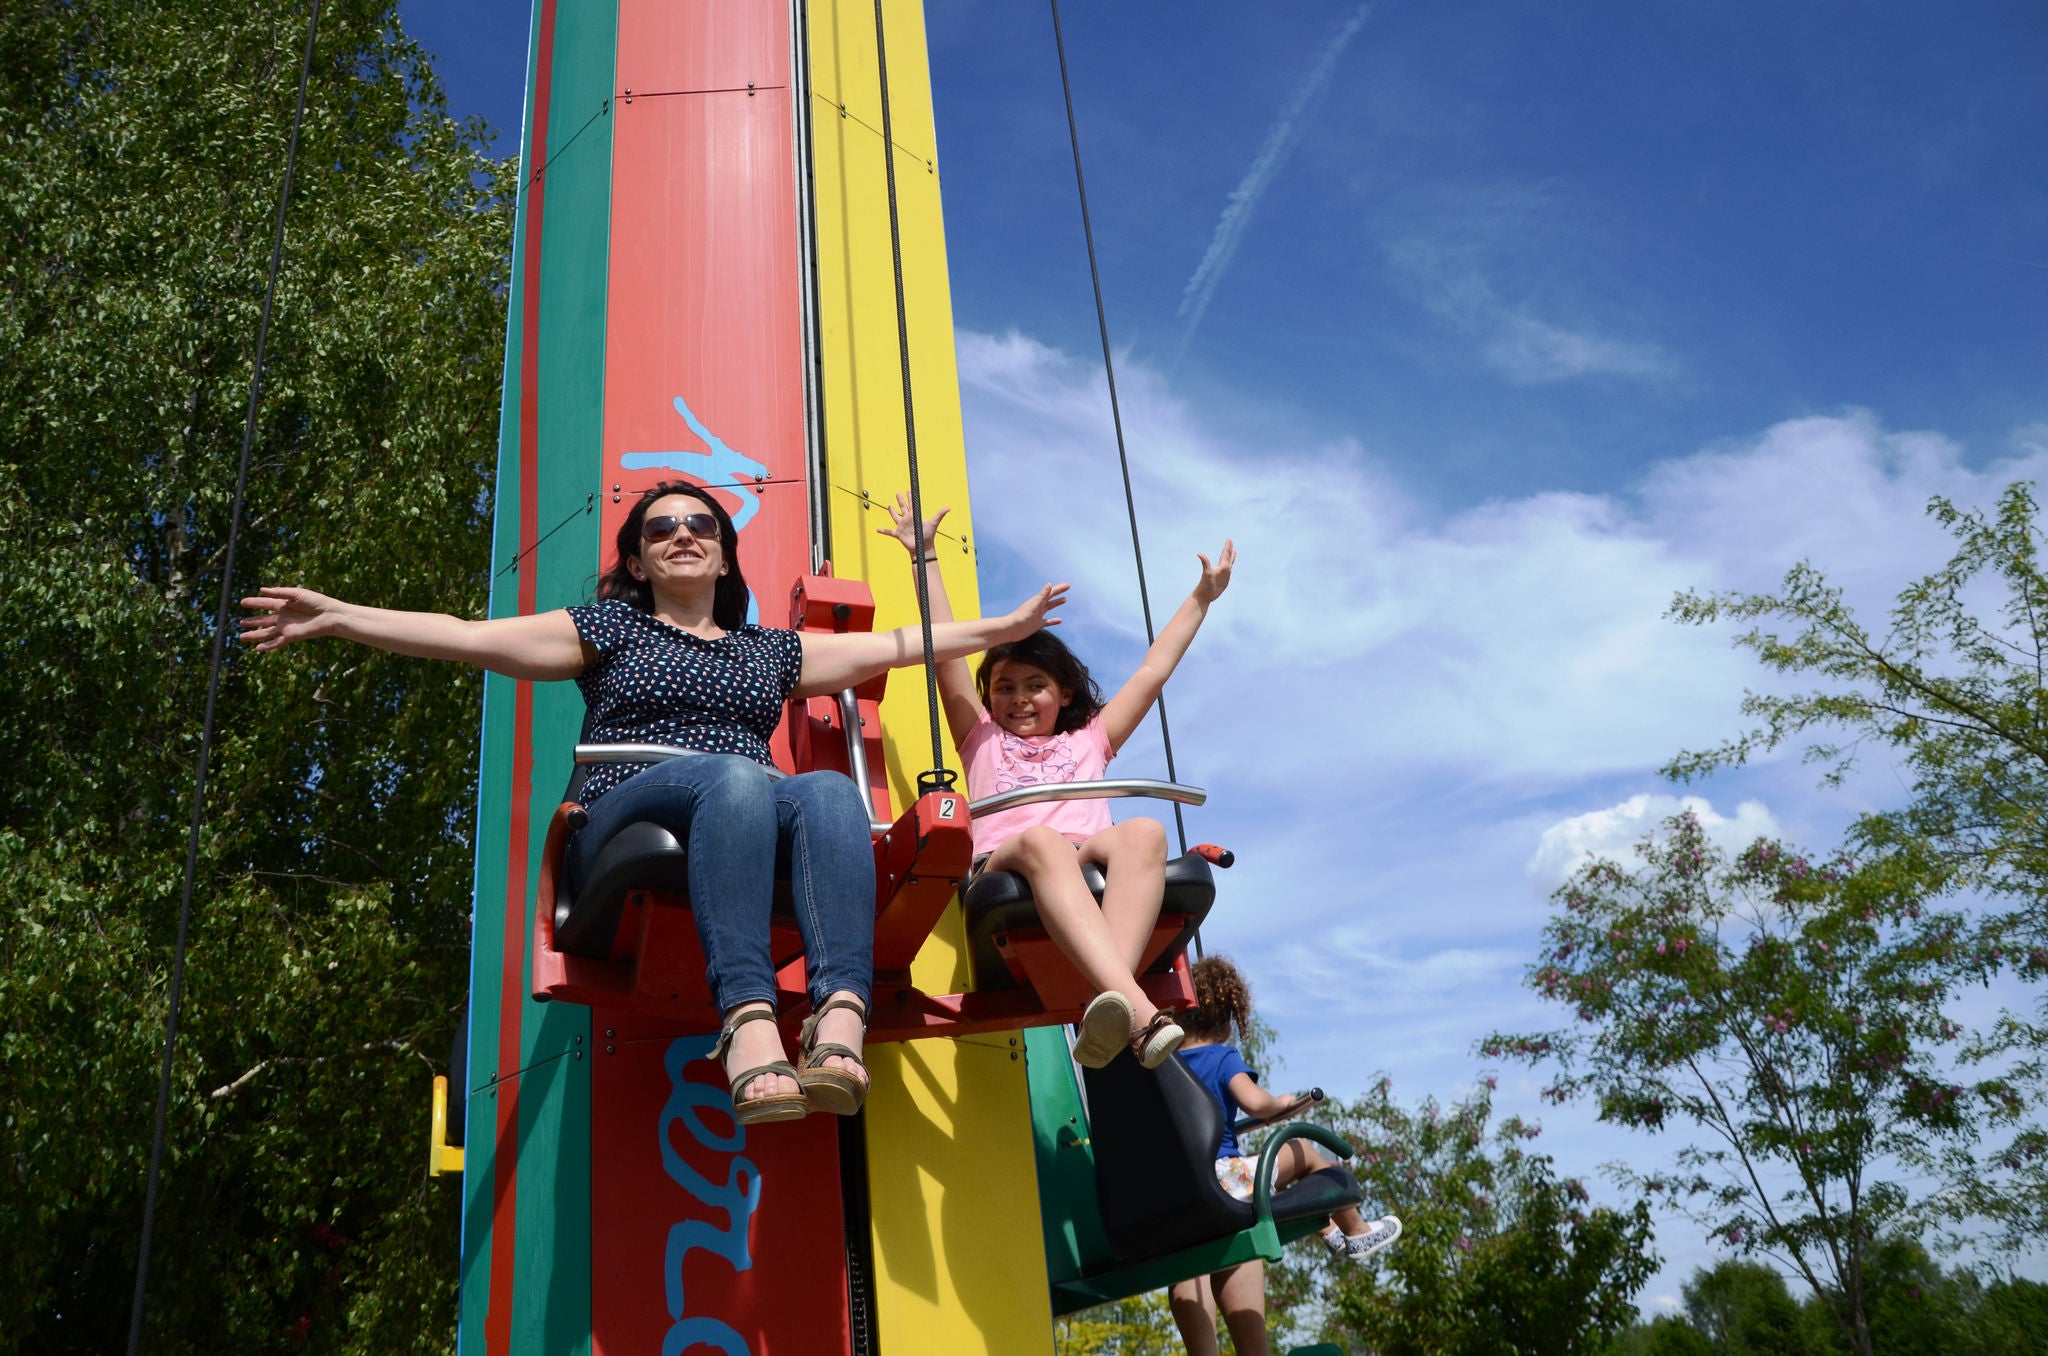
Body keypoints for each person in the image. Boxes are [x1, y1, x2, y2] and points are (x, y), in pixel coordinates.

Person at [241, 480, 1067, 1124]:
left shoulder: (766, 652)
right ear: (637, 562)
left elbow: (891, 646)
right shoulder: (608, 631)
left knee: (825, 792)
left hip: (735, 811)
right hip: (630, 806)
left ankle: (837, 1016)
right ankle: (747, 1024)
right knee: (739, 775)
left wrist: (1006, 626)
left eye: (700, 527)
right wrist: (341, 617)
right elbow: (466, 634)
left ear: (722, 556)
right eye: (660, 530)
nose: (681, 536)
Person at [879, 496, 1232, 1068]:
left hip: (1085, 853)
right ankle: (1138, 1010)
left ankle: (1108, 1001)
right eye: (1004, 687)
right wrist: (925, 562)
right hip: (1009, 858)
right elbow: (944, 654)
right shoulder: (981, 738)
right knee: (1044, 842)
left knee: (1143, 831)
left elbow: (1152, 671)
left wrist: (1200, 599)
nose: (1018, 699)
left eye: (1034, 685)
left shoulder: (1090, 739)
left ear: (1063, 692)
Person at [1167, 955, 1401, 1356]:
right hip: (1225, 1182)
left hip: (1176, 1193)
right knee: (1303, 1150)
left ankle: (1326, 1229)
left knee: (1190, 1270)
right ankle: (1355, 1231)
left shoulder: (1163, 1064)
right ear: (1227, 1021)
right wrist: (1282, 1103)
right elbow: (1255, 1103)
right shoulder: (1222, 1057)